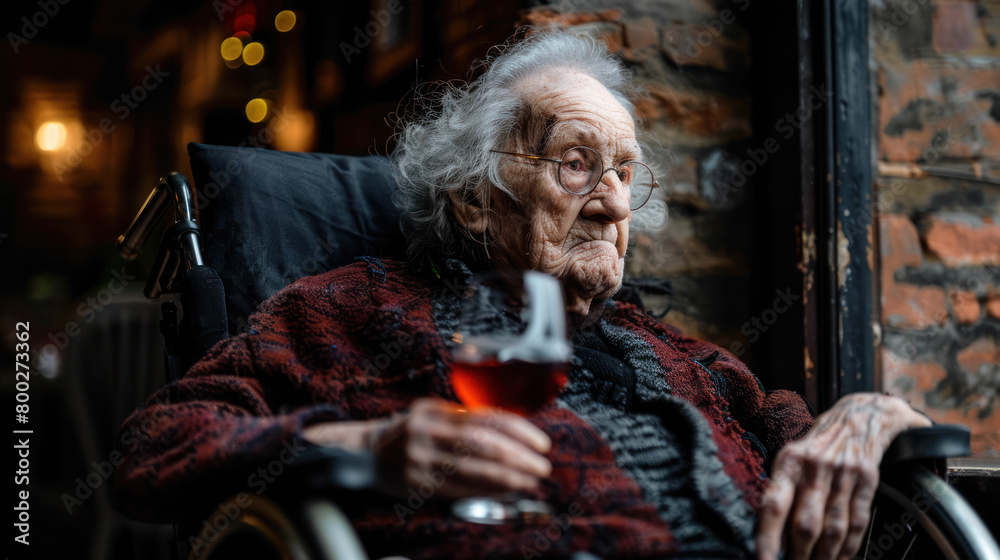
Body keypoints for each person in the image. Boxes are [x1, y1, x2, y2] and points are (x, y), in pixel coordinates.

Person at [113, 29, 931, 560]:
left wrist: (868, 416)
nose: (613, 202)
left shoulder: (677, 354)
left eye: (623, 173)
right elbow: (151, 447)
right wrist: (367, 452)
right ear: (474, 195)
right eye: (576, 164)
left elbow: (820, 438)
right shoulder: (346, 311)